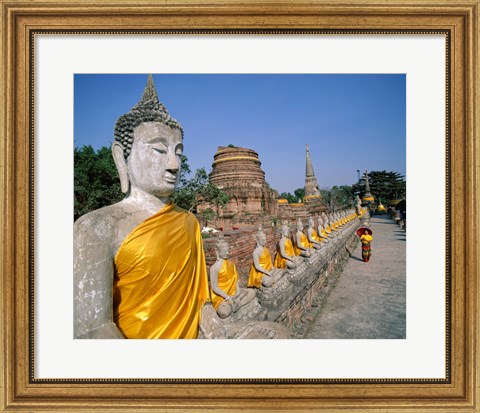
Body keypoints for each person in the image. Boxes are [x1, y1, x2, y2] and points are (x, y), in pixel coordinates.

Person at [74, 75, 209, 339]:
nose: (174, 165)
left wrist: (218, 325)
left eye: (178, 152)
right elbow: (93, 330)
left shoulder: (189, 222)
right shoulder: (97, 227)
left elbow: (202, 303)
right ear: (121, 157)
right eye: (159, 150)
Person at [209, 235, 256, 318]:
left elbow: (235, 280)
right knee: (223, 312)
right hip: (221, 297)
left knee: (252, 292)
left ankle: (235, 303)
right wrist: (227, 297)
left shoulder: (231, 264)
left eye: (228, 250)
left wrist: (237, 293)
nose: (227, 253)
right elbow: (214, 288)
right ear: (218, 252)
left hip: (233, 293)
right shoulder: (214, 268)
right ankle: (235, 304)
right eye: (224, 251)